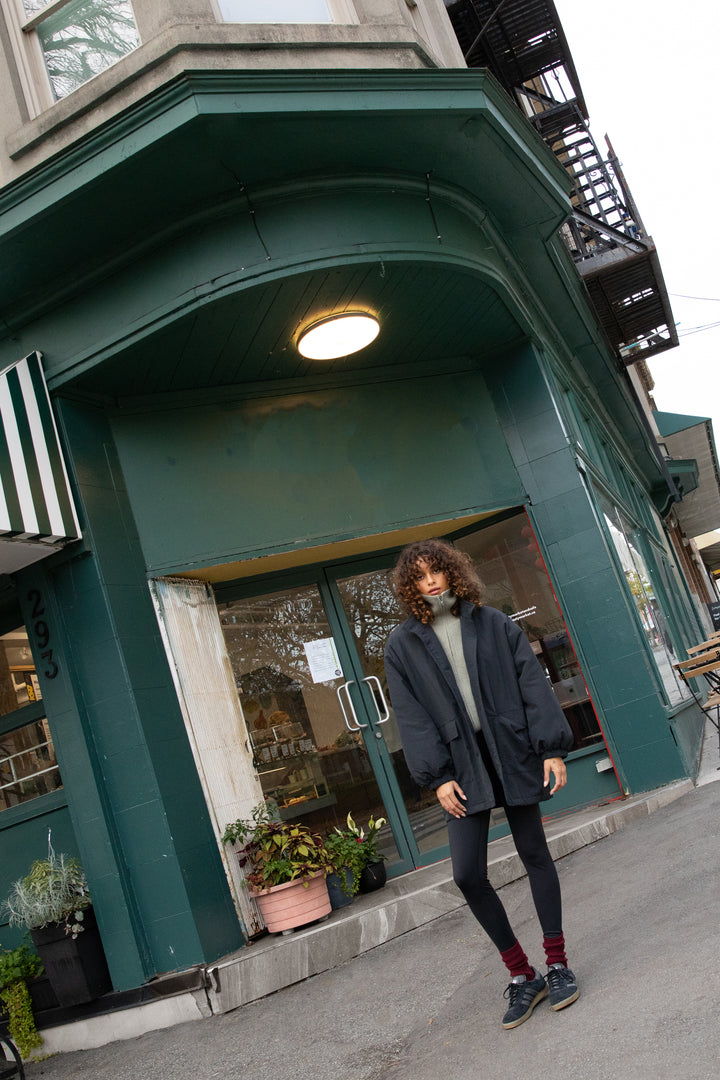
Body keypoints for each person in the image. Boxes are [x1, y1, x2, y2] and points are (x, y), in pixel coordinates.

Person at [384, 538, 580, 1030]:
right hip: (460, 766)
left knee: (535, 852)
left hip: (511, 752)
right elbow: (410, 715)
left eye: (437, 571)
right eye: (420, 575)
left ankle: (556, 964)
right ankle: (522, 974)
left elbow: (530, 682)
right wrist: (438, 777)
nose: (430, 581)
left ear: (452, 572)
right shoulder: (402, 644)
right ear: (410, 585)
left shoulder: (492, 623)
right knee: (467, 874)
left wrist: (550, 747)